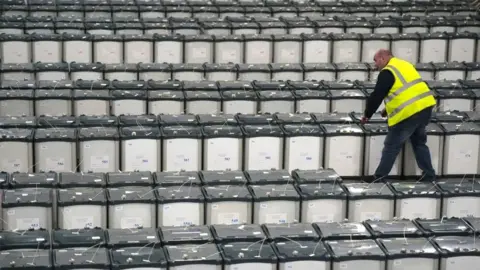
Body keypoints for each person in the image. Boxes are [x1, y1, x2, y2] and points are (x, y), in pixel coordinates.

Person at [360, 49, 437, 182]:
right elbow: (406, 90)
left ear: (383, 58)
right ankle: (429, 175)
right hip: (425, 108)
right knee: (419, 143)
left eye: (375, 60)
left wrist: (367, 114)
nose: (375, 65)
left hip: (409, 113)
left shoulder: (387, 71)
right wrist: (386, 109)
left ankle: (379, 178)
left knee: (391, 146)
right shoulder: (404, 65)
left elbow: (377, 95)